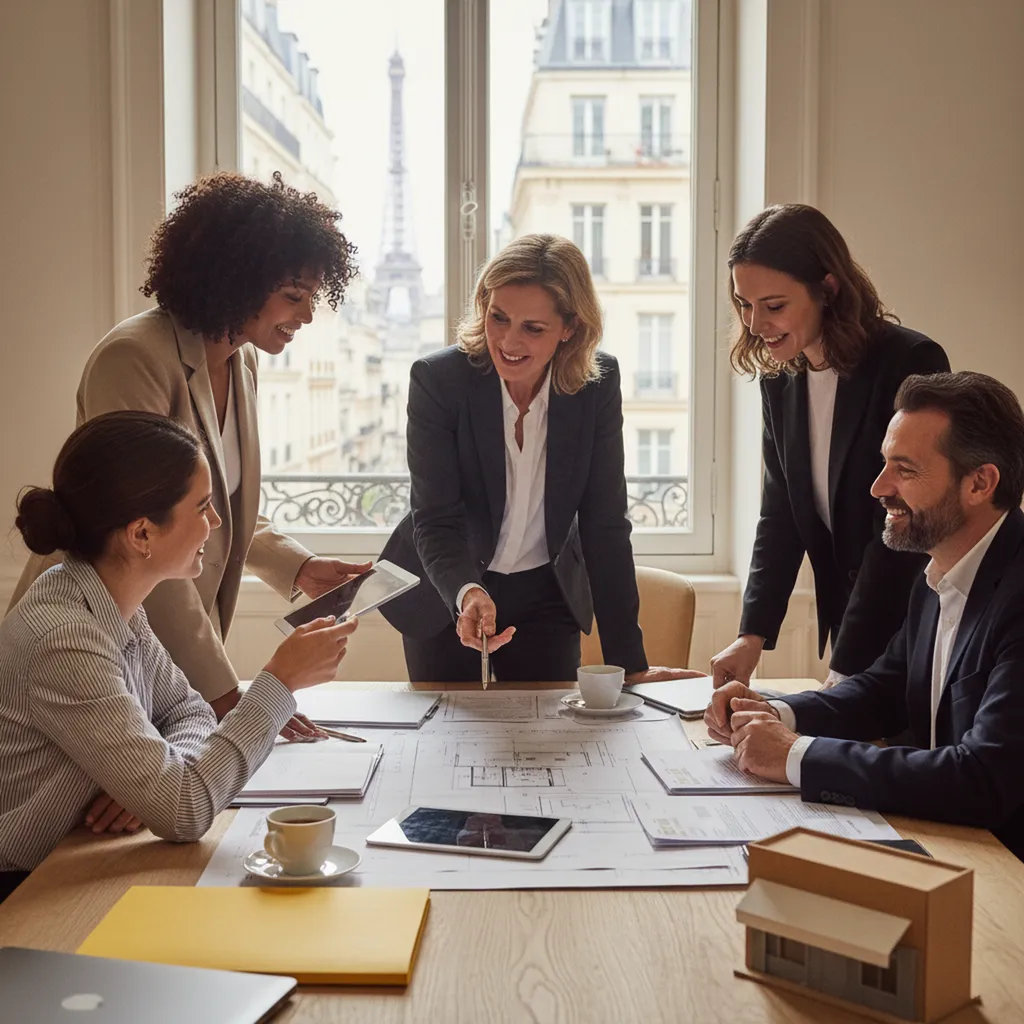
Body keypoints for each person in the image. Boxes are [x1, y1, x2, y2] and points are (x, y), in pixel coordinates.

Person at [8, 172, 368, 737]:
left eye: (311, 298)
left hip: (156, 660)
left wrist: (298, 566)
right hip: (86, 640)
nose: (306, 315)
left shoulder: (242, 361)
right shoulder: (134, 358)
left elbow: (213, 500)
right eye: (294, 297)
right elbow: (142, 534)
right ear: (238, 282)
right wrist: (230, 697)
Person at [0, 412, 357, 901]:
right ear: (142, 534)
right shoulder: (65, 637)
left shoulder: (110, 599)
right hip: (27, 891)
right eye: (204, 506)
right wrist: (279, 683)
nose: (214, 523)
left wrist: (148, 783)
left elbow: (186, 711)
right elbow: (184, 810)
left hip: (78, 856)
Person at [706, 372, 1024, 861]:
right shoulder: (939, 569)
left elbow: (983, 778)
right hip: (957, 842)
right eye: (884, 465)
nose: (879, 488)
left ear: (979, 483)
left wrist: (794, 754)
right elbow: (884, 690)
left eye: (905, 469)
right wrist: (773, 712)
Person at [379, 234, 699, 684]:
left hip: (547, 595)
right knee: (445, 738)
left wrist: (631, 665)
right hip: (447, 589)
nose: (508, 341)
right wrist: (467, 593)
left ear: (570, 327)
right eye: (499, 317)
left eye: (533, 328)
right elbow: (434, 519)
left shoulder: (595, 387)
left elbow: (604, 526)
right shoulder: (439, 381)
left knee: (549, 743)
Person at [710, 204, 949, 690]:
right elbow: (781, 512)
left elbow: (904, 515)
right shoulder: (780, 379)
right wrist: (751, 634)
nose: (755, 324)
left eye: (774, 306)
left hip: (909, 609)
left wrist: (847, 664)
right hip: (846, 612)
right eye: (744, 304)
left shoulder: (908, 360)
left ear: (828, 290)